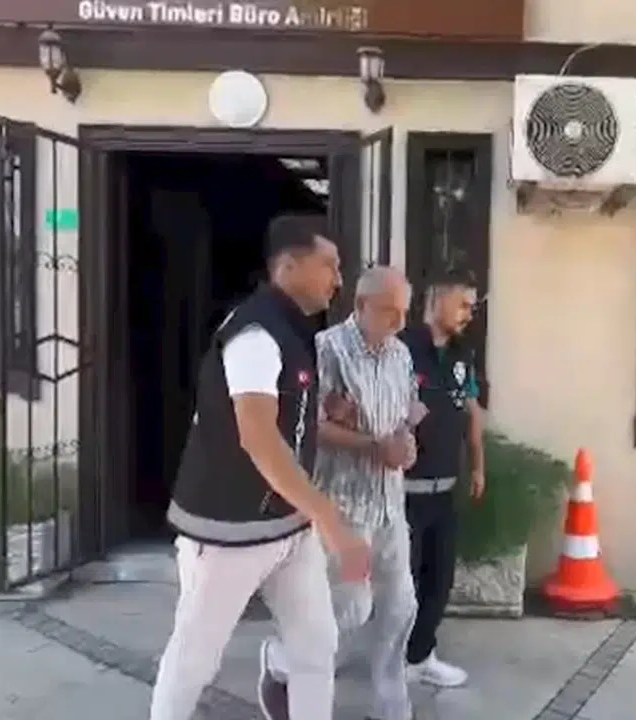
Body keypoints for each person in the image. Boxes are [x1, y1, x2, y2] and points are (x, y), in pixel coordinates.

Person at [148, 213, 371, 720]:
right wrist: (329, 519)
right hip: (228, 529)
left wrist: (324, 409)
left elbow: (284, 404)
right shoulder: (255, 333)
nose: (339, 279)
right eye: (330, 265)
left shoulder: (295, 330)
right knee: (195, 660)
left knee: (317, 644)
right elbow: (258, 436)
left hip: (288, 524)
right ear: (288, 266)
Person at [260, 266, 420, 720]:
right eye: (389, 311)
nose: (399, 322)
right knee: (351, 608)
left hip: (390, 505)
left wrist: (407, 441)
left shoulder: (401, 354)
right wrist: (373, 445)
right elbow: (307, 424)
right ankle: (281, 660)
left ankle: (392, 707)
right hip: (344, 507)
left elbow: (405, 411)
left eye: (404, 312)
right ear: (361, 305)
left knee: (399, 607)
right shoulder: (325, 349)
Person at [398, 268, 485, 688]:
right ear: (437, 298)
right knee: (401, 586)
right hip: (403, 493)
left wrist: (478, 464)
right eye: (463, 303)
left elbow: (471, 409)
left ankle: (420, 657)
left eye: (472, 306)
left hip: (445, 490)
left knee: (439, 581)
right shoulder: (400, 348)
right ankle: (389, 661)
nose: (469, 313)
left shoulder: (463, 354)